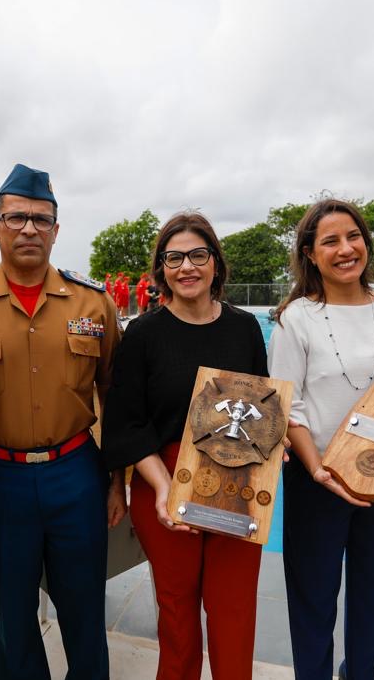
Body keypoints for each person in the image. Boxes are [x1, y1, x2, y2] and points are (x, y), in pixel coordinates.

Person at [0, 163, 126, 680]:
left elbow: (115, 394)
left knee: (85, 612)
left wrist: (116, 481)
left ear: (57, 229)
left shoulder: (94, 303)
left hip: (77, 474)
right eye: (16, 218)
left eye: (42, 219)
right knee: (13, 617)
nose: (30, 229)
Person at [102, 212, 268, 680]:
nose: (186, 267)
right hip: (166, 471)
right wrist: (160, 487)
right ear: (161, 269)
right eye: (173, 258)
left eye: (198, 255)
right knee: (177, 613)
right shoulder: (144, 335)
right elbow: (128, 424)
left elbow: (258, 406)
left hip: (236, 477)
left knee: (233, 608)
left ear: (215, 262)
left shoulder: (244, 329)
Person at [266, 199, 374, 680]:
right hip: (317, 479)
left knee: (373, 600)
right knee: (312, 602)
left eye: (354, 236)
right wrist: (317, 469)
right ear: (310, 253)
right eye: (330, 241)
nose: (346, 249)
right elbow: (289, 405)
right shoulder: (296, 318)